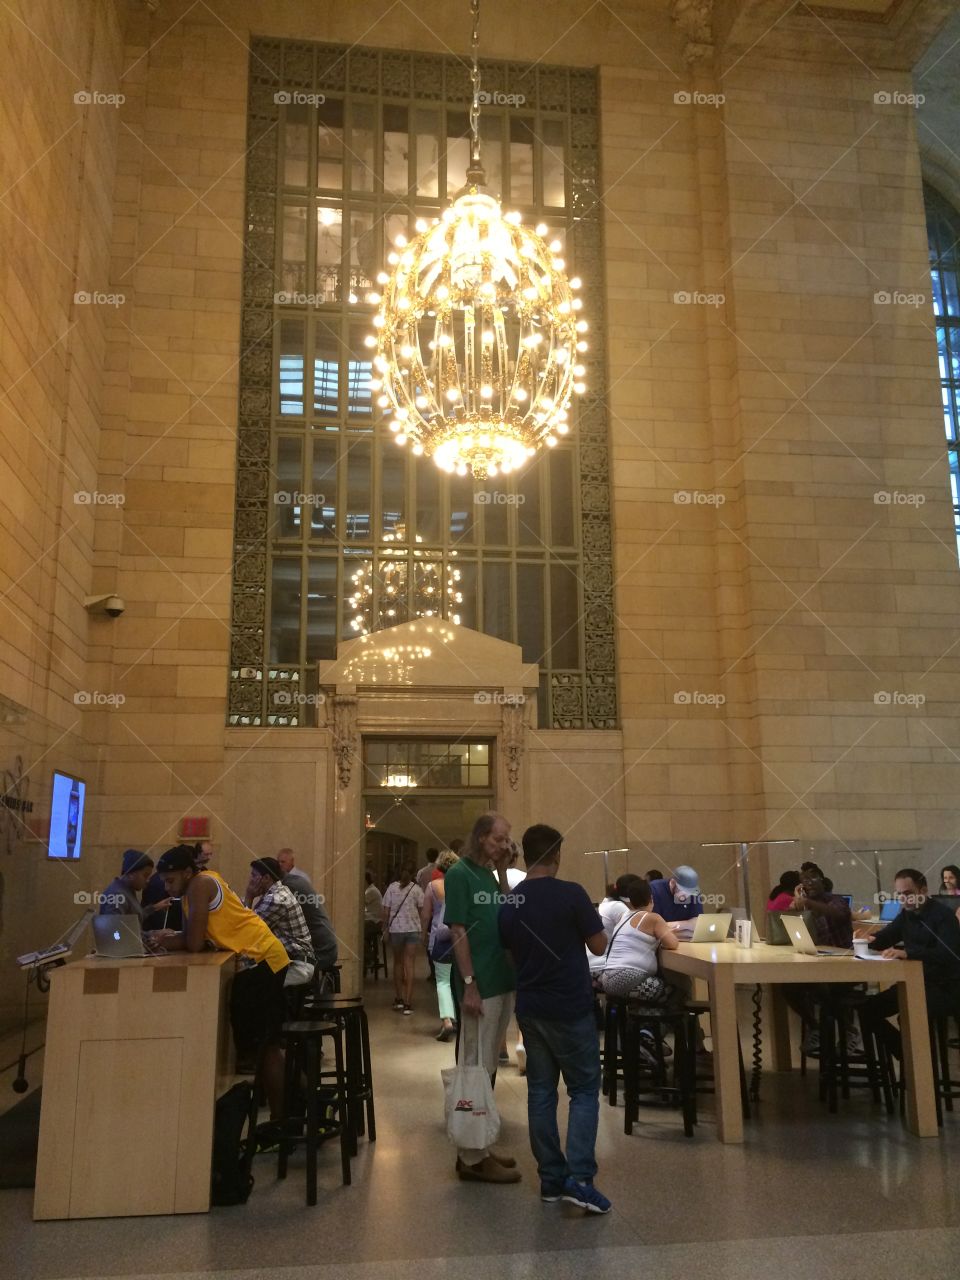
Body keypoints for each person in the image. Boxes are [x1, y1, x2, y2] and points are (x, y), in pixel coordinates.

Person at [499, 823, 611, 1213]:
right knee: (583, 1090)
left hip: (531, 1007)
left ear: (528, 855)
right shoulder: (572, 894)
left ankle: (550, 1179)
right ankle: (579, 1179)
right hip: (570, 1006)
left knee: (541, 1092)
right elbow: (598, 945)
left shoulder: (511, 902)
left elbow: (510, 953)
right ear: (557, 855)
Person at [155, 845, 289, 1120]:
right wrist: (165, 939)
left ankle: (283, 1120)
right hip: (261, 959)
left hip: (262, 960)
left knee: (266, 1045)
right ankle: (285, 1113)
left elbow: (193, 943)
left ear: (187, 872)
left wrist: (163, 941)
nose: (167, 888)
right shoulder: (194, 888)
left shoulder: (200, 885)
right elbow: (193, 938)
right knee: (261, 1045)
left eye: (170, 880)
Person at [443, 811, 519, 1184]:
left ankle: (482, 1143)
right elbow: (458, 930)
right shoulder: (459, 874)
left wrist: (502, 871)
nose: (505, 845)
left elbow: (507, 911)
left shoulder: (489, 874)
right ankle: (471, 1157)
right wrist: (469, 983)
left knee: (488, 1065)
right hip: (481, 982)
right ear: (481, 837)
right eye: (499, 839)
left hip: (501, 978)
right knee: (475, 1064)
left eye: (507, 840)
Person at [861, 868, 960, 1053]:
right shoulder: (907, 914)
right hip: (914, 983)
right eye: (899, 894)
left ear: (923, 891)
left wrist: (908, 953)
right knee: (868, 1010)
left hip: (945, 986)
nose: (903, 899)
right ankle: (905, 1054)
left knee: (909, 1015)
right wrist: (869, 939)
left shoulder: (944, 916)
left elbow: (947, 953)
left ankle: (917, 1061)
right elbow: (887, 936)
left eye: (908, 894)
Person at [245, 857, 316, 987]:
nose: (250, 880)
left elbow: (248, 932)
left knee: (247, 985)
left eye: (254, 875)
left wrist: (249, 897)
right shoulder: (280, 891)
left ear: (266, 878)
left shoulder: (275, 899)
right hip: (295, 961)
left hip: (297, 966)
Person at [275, 847, 338, 972]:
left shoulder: (292, 883)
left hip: (317, 948)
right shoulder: (297, 880)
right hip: (322, 943)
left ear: (292, 862)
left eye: (283, 862)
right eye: (278, 862)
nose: (279, 865)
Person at [421, 849, 459, 1041]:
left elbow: (426, 914)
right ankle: (458, 1018)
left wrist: (423, 935)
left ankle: (447, 1021)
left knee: (443, 981)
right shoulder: (460, 886)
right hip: (460, 939)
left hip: (440, 937)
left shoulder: (432, 886)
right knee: (457, 982)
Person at [382, 864, 424, 1014]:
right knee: (409, 965)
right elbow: (421, 910)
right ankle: (408, 1002)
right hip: (412, 929)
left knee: (398, 963)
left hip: (396, 930)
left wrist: (384, 929)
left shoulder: (391, 888)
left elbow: (386, 911)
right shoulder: (417, 890)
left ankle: (399, 998)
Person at [98, 849, 166, 919]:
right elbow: (113, 925)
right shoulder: (117, 894)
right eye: (145, 875)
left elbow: (134, 917)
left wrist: (155, 907)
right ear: (131, 874)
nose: (148, 880)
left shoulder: (127, 889)